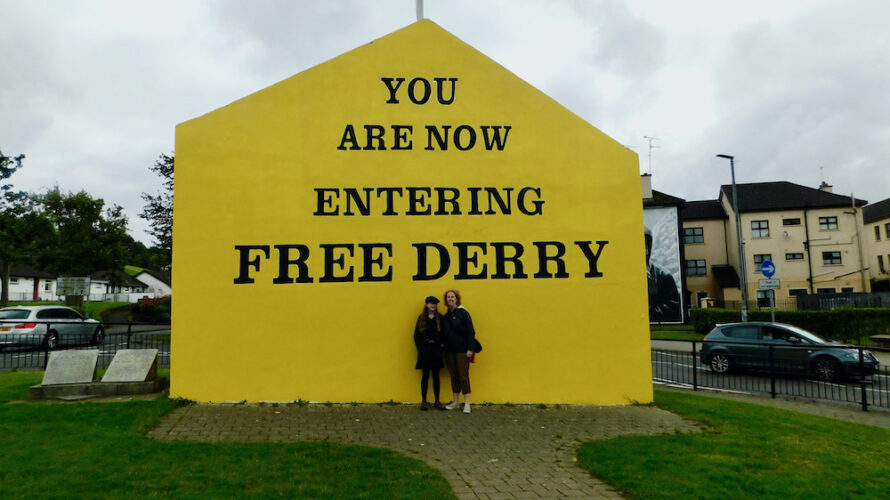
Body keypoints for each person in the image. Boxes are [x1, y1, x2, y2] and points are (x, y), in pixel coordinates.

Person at [442, 289, 476, 414]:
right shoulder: (446, 316)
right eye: (448, 297)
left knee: (463, 375)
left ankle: (467, 403)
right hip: (450, 351)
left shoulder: (463, 313)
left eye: (452, 297)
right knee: (454, 376)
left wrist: (470, 349)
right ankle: (455, 402)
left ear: (457, 299)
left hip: (462, 351)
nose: (450, 299)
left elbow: (471, 332)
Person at [414, 295, 445, 410]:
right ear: (426, 304)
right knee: (425, 376)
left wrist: (441, 347)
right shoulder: (421, 318)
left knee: (436, 376)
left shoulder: (440, 318)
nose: (433, 305)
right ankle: (424, 401)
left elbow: (444, 335)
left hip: (436, 352)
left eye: (435, 303)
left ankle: (437, 401)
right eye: (431, 303)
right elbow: (416, 336)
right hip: (425, 352)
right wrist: (421, 349)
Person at [645, 227, 681, 322]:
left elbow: (672, 307)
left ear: (647, 248)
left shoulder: (664, 276)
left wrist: (647, 313)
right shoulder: (623, 277)